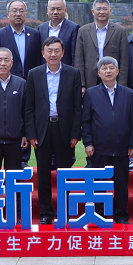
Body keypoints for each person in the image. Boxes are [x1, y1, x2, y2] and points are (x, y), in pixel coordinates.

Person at [27, 37, 83, 224]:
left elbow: (77, 107)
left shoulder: (73, 73)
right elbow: (29, 108)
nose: (53, 54)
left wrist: (75, 133)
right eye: (49, 51)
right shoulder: (34, 74)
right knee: (43, 174)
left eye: (56, 50)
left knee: (64, 173)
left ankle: (64, 211)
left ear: (63, 53)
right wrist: (31, 133)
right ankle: (46, 213)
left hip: (64, 129)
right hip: (42, 130)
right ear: (43, 53)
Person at [81, 56, 133, 224]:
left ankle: (121, 215)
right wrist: (88, 143)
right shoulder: (91, 93)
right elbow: (86, 121)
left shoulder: (128, 93)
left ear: (118, 71)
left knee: (121, 184)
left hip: (122, 148)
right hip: (99, 148)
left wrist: (132, 144)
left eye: (111, 68)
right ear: (98, 73)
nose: (108, 71)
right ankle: (99, 215)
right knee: (99, 183)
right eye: (104, 68)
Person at [75, 0, 130, 91]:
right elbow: (79, 60)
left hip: (112, 79)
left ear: (110, 11)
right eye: (98, 9)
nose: (101, 12)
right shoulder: (83, 31)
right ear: (93, 11)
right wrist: (81, 84)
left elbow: (124, 61)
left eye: (105, 9)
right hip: (90, 80)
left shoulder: (120, 31)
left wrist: (121, 86)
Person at [0, 0, 42, 79]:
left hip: (30, 80)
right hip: (8, 80)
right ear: (8, 14)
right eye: (14, 11)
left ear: (25, 14)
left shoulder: (35, 34)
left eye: (21, 11)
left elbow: (38, 60)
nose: (18, 14)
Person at [37, 0, 79, 66]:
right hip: (45, 70)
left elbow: (74, 54)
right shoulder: (41, 28)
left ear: (65, 10)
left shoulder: (74, 28)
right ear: (47, 10)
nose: (55, 12)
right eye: (52, 9)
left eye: (59, 9)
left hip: (65, 70)